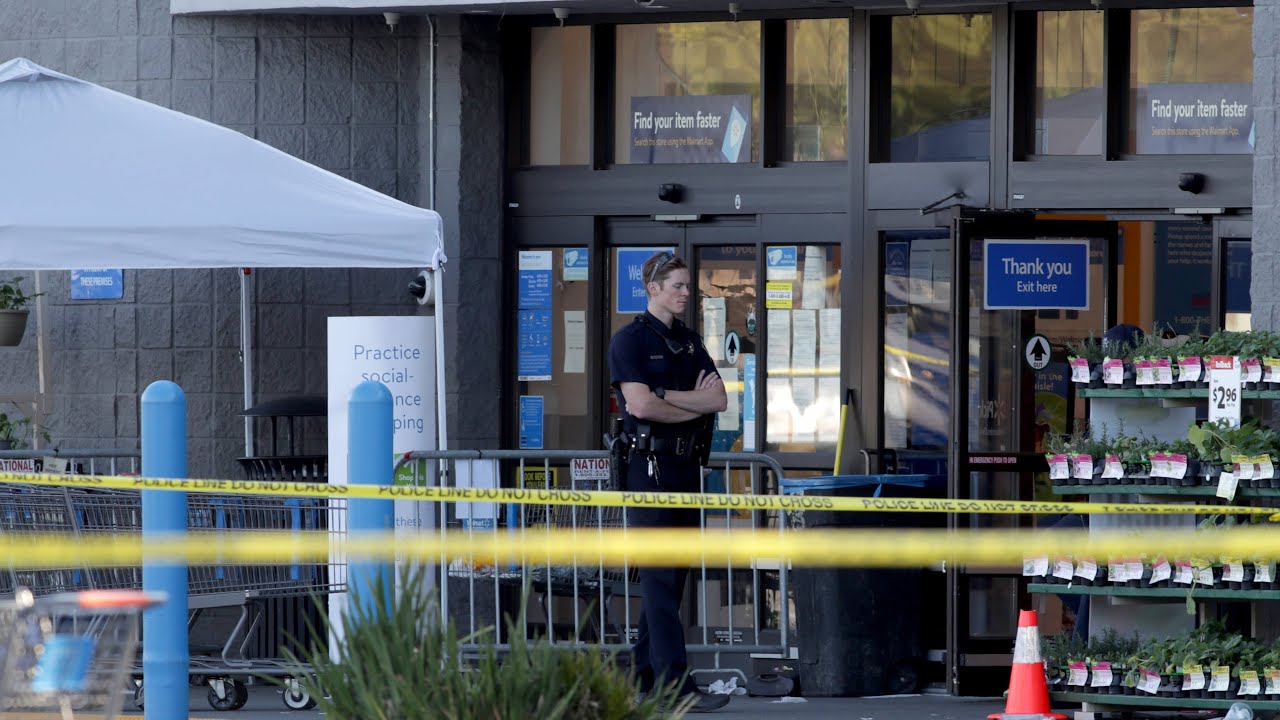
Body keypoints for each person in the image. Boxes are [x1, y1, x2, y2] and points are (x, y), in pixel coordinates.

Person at [608, 251, 729, 713]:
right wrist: (689, 402)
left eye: (686, 286)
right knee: (659, 582)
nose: (685, 293)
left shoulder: (691, 342)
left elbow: (718, 400)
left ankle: (640, 679)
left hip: (686, 470)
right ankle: (675, 689)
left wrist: (669, 397)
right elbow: (639, 407)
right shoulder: (630, 342)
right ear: (652, 288)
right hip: (650, 471)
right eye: (676, 285)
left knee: (671, 581)